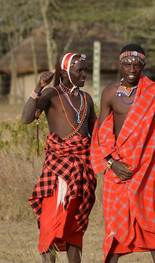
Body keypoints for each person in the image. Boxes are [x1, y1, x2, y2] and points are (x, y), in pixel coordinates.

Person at [91, 45, 155, 263]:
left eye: (137, 64)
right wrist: (112, 163)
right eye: (127, 64)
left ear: (143, 65)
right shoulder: (109, 93)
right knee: (115, 223)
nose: (132, 68)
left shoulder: (154, 92)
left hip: (145, 169)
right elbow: (101, 132)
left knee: (152, 220)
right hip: (116, 169)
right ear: (119, 65)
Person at [21, 53, 97, 263]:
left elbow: (97, 135)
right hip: (57, 169)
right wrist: (38, 87)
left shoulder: (86, 99)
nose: (84, 74)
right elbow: (26, 118)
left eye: (86, 70)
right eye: (79, 70)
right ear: (65, 73)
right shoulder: (51, 94)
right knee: (49, 223)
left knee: (74, 226)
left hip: (82, 169)